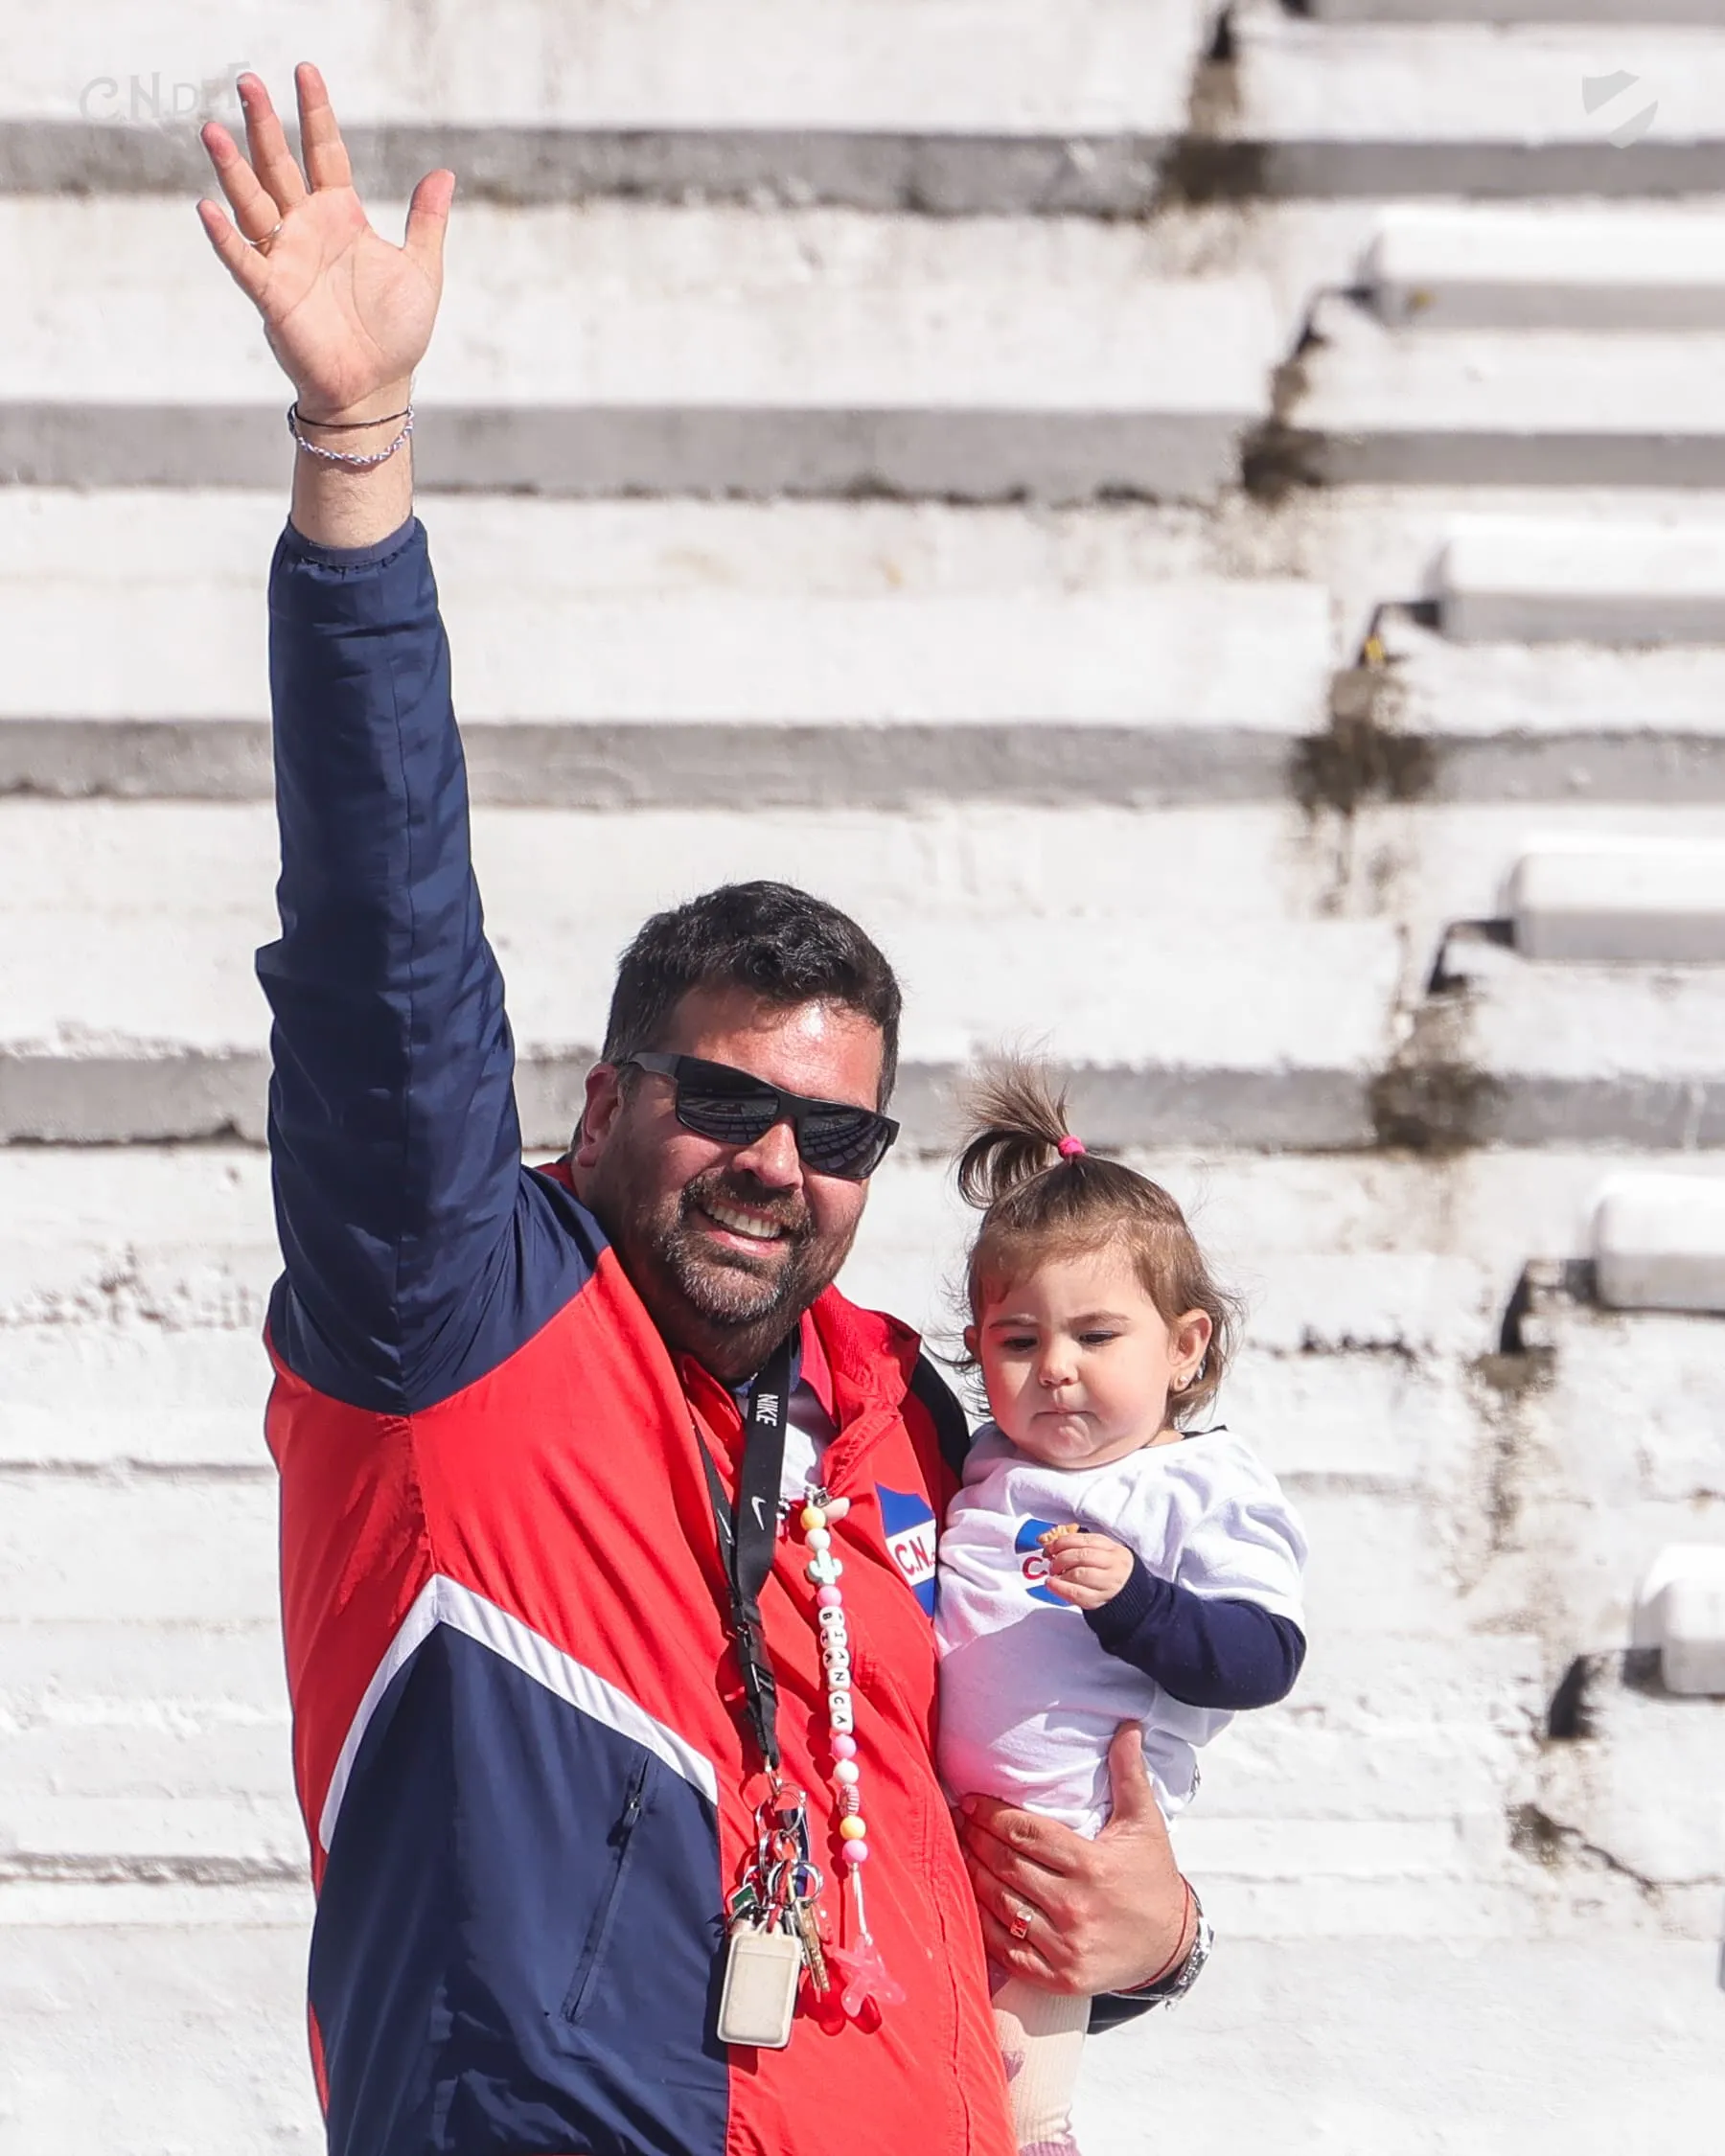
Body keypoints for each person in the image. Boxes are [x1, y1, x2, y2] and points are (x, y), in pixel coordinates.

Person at [194, 63, 1208, 2156]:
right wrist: (356, 448)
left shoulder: (902, 1409)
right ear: (604, 1100)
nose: (776, 1164)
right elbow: (385, 945)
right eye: (726, 1102)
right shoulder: (453, 1309)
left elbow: (1007, 1823)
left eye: (835, 1137)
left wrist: (1156, 1941)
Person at [935, 1066, 1308, 2156]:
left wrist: (1138, 1604)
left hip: (1068, 1853)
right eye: (1018, 1342)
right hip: (942, 1835)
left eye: (1096, 1338)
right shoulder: (986, 1462)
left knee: (1013, 2096)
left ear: (1185, 1346)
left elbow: (1263, 1656)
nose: (1055, 1370)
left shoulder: (1201, 1485)